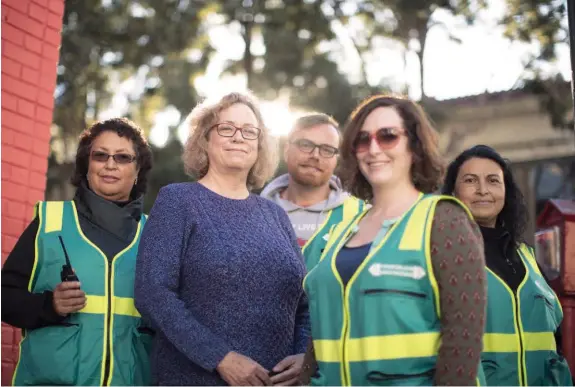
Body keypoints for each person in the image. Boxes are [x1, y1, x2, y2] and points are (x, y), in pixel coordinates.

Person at [301, 95, 488, 386]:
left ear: (414, 145)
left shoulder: (444, 221)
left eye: (387, 136)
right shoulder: (341, 229)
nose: (373, 149)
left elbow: (462, 341)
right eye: (363, 140)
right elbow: (322, 334)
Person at [134, 91, 310, 386]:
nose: (238, 137)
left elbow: (303, 302)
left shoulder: (275, 215)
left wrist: (305, 354)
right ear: (205, 139)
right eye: (226, 128)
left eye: (249, 131)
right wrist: (220, 357)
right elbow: (153, 293)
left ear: (259, 144)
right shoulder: (179, 201)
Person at [1, 118, 154, 386]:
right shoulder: (51, 222)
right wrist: (49, 306)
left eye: (122, 157)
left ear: (138, 170)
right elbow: (5, 295)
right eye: (100, 155)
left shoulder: (155, 235)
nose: (110, 164)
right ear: (87, 164)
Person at [442, 144, 573, 386]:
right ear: (452, 192)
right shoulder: (442, 257)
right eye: (470, 180)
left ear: (506, 190)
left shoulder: (529, 258)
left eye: (493, 181)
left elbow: (557, 340)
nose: (483, 190)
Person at [260, 114, 366, 270]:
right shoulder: (256, 211)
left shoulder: (361, 216)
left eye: (327, 150)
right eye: (305, 144)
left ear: (337, 159)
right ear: (287, 150)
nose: (315, 156)